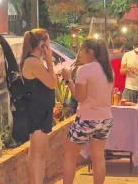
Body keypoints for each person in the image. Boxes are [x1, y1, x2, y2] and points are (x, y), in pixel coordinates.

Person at [61, 38, 114, 184]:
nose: (79, 54)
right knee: (98, 157)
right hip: (105, 118)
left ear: (90, 52)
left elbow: (80, 97)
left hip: (87, 118)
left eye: (81, 50)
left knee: (70, 156)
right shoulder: (108, 70)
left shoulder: (84, 70)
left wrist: (68, 80)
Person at [21, 29, 56, 184]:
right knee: (39, 153)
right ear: (41, 44)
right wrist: (49, 61)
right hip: (37, 113)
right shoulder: (33, 62)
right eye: (48, 42)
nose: (50, 45)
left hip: (40, 111)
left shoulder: (33, 61)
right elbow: (53, 83)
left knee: (36, 152)